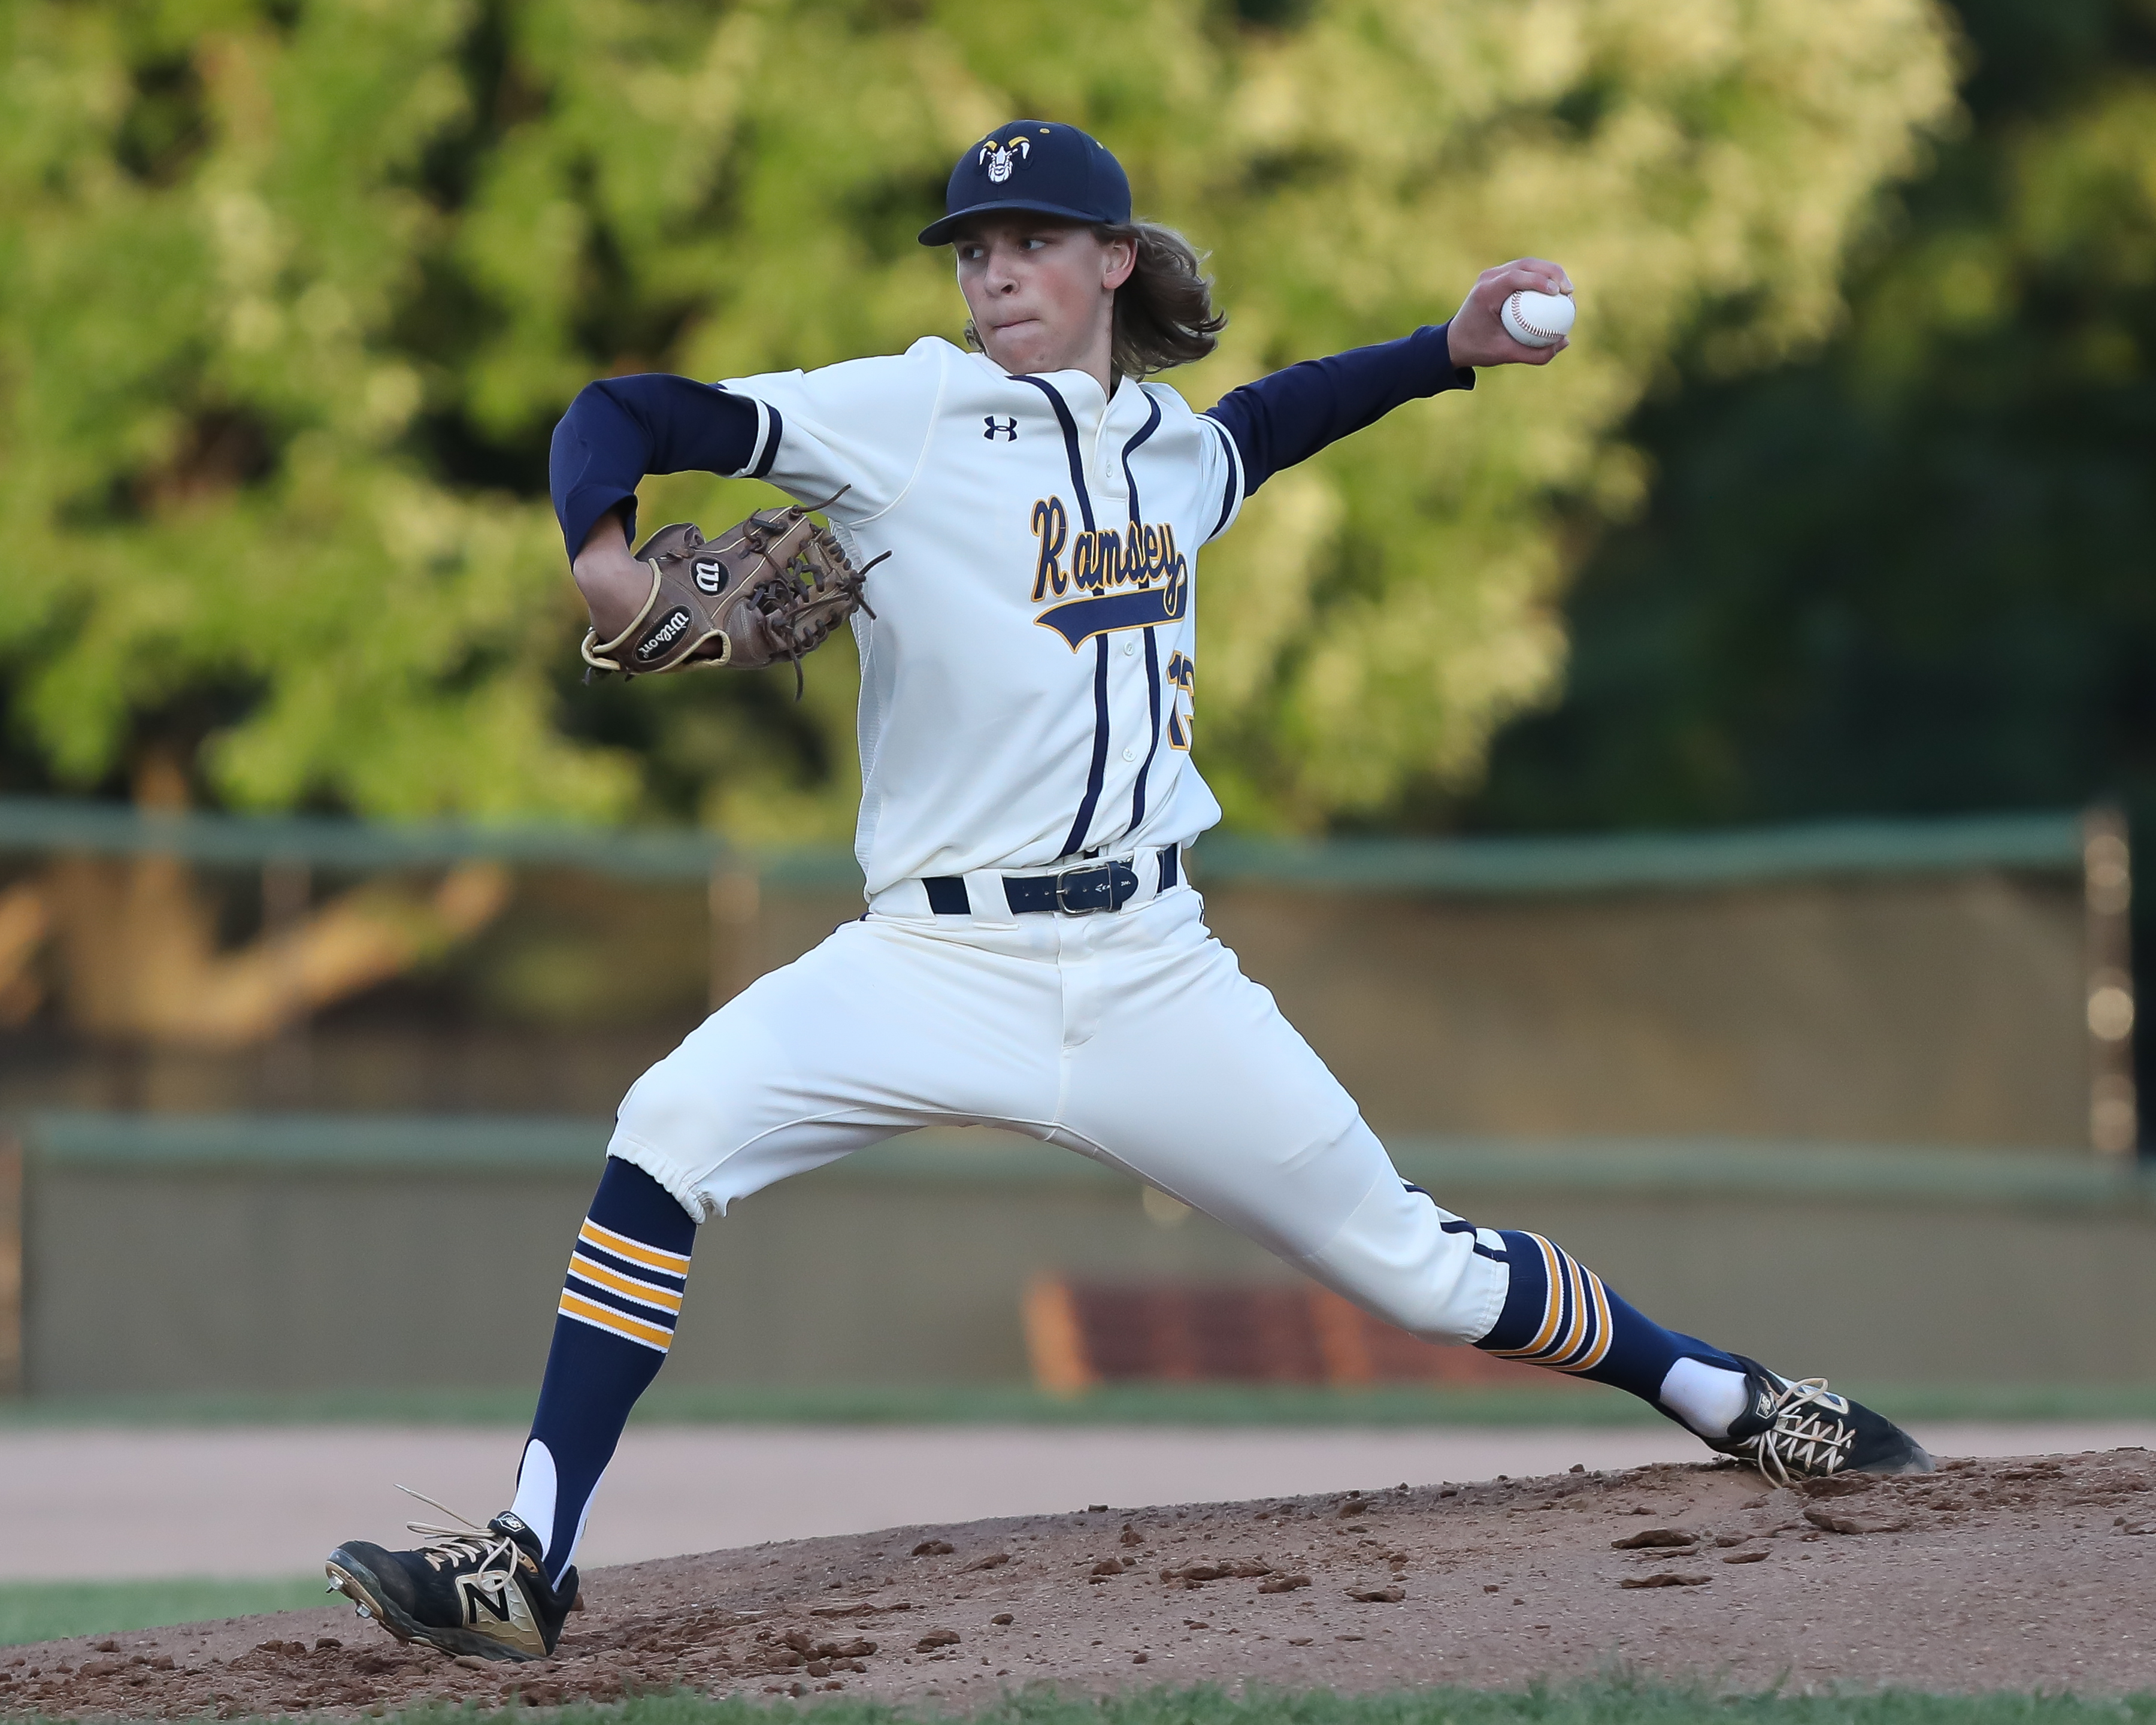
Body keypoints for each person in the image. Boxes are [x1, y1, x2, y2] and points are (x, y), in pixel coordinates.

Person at [325, 120, 1930, 1665]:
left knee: (1417, 1268)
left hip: (1155, 969)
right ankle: (527, 1557)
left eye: (1030, 244)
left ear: (1111, 262)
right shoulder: (905, 415)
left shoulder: (1169, 452)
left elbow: (1275, 423)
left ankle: (1732, 1399)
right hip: (927, 964)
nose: (994, 273)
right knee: (667, 1129)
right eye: (974, 249)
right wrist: (605, 555)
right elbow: (621, 407)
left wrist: (1444, 354)